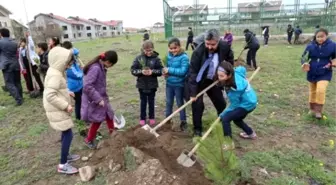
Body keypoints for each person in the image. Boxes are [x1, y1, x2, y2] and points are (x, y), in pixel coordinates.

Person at [188, 29, 234, 136]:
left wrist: (225, 74)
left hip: (214, 80)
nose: (209, 47)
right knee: (197, 105)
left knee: (221, 104)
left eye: (213, 44)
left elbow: (230, 61)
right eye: (207, 44)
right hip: (199, 81)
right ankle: (197, 129)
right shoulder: (198, 52)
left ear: (218, 41)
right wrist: (193, 93)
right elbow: (193, 73)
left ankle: (224, 125)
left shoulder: (225, 47)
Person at [43, 44, 80, 174]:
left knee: (66, 132)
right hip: (57, 109)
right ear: (60, 61)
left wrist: (67, 93)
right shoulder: (56, 75)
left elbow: (55, 89)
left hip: (56, 108)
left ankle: (66, 155)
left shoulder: (55, 71)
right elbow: (50, 95)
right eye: (67, 63)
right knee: (68, 134)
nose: (68, 65)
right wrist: (66, 105)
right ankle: (63, 164)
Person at [81, 50, 118, 149]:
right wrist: (98, 99)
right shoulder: (96, 68)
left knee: (109, 115)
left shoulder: (101, 67)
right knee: (97, 120)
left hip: (101, 97)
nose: (110, 67)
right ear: (108, 62)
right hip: (94, 99)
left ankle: (113, 134)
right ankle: (88, 140)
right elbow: (87, 86)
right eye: (112, 65)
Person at [301, 28, 336, 119]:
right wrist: (304, 63)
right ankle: (312, 109)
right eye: (318, 37)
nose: (320, 39)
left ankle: (318, 111)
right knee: (312, 91)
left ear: (326, 36)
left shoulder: (332, 45)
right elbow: (304, 57)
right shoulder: (310, 46)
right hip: (312, 71)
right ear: (315, 37)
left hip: (325, 72)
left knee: (321, 90)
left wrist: (334, 62)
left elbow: (335, 57)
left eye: (322, 36)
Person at [217, 62, 257, 140]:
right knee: (237, 119)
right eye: (218, 75)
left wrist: (222, 114)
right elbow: (242, 68)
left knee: (226, 119)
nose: (219, 78)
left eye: (221, 76)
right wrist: (244, 77)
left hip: (247, 104)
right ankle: (250, 133)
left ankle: (228, 144)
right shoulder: (236, 71)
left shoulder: (234, 89)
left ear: (229, 75)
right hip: (251, 99)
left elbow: (234, 105)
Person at [131, 40, 163, 126]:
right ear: (143, 49)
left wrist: (152, 72)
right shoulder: (138, 58)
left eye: (150, 50)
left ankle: (152, 117)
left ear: (153, 49)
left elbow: (160, 71)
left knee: (151, 102)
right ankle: (142, 118)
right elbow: (133, 70)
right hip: (142, 85)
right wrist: (141, 71)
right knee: (143, 102)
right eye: (146, 50)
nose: (149, 52)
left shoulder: (156, 58)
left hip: (152, 85)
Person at [162, 38, 189, 131]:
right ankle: (168, 120)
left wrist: (169, 70)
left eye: (175, 48)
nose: (173, 50)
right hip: (169, 84)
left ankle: (183, 121)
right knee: (169, 102)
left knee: (180, 103)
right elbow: (166, 68)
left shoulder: (184, 57)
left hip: (179, 84)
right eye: (171, 48)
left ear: (179, 47)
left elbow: (183, 71)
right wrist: (165, 73)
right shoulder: (168, 56)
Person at [0, 28, 23, 105]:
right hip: (16, 64)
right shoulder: (14, 42)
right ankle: (21, 97)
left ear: (1, 34)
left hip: (7, 65)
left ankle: (18, 99)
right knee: (17, 82)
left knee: (9, 83)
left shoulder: (0, 42)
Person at [62, 41, 83, 120]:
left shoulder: (73, 59)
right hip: (74, 87)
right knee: (78, 102)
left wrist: (72, 50)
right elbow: (76, 75)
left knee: (81, 101)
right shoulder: (68, 65)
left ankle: (81, 115)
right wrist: (83, 74)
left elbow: (77, 52)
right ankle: (78, 118)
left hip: (79, 84)